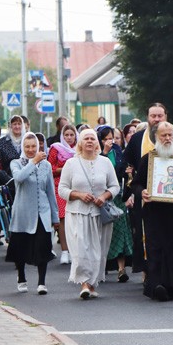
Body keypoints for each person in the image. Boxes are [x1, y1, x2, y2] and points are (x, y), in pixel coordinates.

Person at [131, 122, 173, 301]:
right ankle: (156, 286)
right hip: (155, 213)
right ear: (156, 138)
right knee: (156, 249)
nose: (167, 139)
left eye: (169, 135)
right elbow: (136, 183)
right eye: (163, 136)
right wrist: (141, 192)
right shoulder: (149, 159)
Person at [58, 129, 120, 300]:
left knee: (98, 250)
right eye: (86, 138)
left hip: (100, 214)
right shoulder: (71, 164)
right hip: (77, 213)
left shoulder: (105, 163)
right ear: (80, 142)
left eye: (93, 138)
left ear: (97, 143)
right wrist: (78, 195)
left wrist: (104, 196)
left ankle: (92, 284)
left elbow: (115, 186)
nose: (90, 141)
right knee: (81, 249)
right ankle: (84, 283)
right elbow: (62, 189)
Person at [6, 132, 58, 295]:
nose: (30, 149)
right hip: (23, 212)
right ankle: (21, 277)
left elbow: (50, 191)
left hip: (42, 211)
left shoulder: (46, 165)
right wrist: (33, 162)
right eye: (27, 146)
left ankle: (41, 282)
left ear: (38, 146)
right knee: (21, 247)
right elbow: (19, 178)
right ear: (23, 147)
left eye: (33, 146)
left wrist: (55, 217)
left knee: (43, 246)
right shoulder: (16, 163)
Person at [123, 102, 168, 275]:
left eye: (160, 116)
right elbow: (127, 164)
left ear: (166, 117)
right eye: (153, 116)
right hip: (145, 195)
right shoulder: (138, 138)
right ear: (147, 118)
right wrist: (132, 189)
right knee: (145, 234)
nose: (156, 119)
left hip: (170, 196)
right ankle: (148, 272)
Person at [98, 126, 133, 283]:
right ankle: (101, 267)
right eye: (105, 139)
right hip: (100, 195)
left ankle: (121, 269)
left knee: (121, 231)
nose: (109, 141)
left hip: (117, 194)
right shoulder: (96, 153)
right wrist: (104, 152)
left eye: (111, 138)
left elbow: (122, 170)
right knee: (103, 232)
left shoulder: (118, 150)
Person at [47, 124, 78, 264]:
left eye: (72, 135)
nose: (69, 138)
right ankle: (65, 251)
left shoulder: (80, 148)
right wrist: (63, 168)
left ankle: (75, 251)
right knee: (63, 220)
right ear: (62, 136)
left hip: (77, 187)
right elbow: (50, 167)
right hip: (60, 186)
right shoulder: (56, 148)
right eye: (67, 135)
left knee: (76, 220)